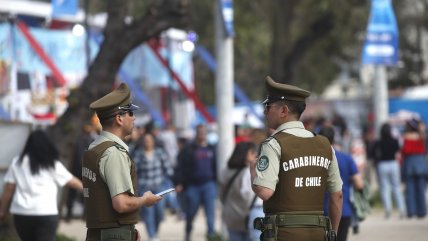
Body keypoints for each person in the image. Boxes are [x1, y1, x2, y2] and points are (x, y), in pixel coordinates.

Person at [250, 76, 343, 241]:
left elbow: (265, 192)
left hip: (283, 235)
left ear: (284, 111)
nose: (265, 112)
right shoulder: (325, 145)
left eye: (268, 106)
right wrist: (332, 233)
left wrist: (253, 173)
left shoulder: (274, 144)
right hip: (318, 234)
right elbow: (337, 195)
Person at [82, 83, 162, 241]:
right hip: (113, 234)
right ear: (119, 118)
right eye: (130, 113)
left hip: (99, 233)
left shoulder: (94, 148)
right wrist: (145, 200)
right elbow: (121, 204)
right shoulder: (114, 153)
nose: (134, 118)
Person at [0, 130, 83, 241]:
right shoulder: (51, 164)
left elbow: (9, 189)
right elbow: (71, 181)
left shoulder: (17, 163)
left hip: (22, 214)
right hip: (46, 212)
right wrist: (90, 189)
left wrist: (2, 210)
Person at [319, 126, 363, 241]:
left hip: (320, 212)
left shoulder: (315, 160)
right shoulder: (347, 158)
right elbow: (359, 184)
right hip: (343, 210)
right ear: (334, 139)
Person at [175, 124, 218, 241]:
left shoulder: (211, 148)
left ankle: (211, 235)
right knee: (190, 213)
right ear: (196, 133)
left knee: (210, 214)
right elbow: (180, 167)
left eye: (204, 132)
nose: (202, 134)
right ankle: (188, 232)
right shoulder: (189, 149)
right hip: (193, 186)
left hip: (209, 185)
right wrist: (179, 182)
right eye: (200, 132)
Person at [219, 141, 263, 241]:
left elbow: (221, 196)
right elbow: (249, 196)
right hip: (246, 217)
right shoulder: (248, 172)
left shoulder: (225, 171)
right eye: (252, 152)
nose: (255, 155)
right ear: (244, 154)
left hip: (231, 217)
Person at [133, 132, 172, 241]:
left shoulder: (160, 153)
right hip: (144, 187)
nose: (147, 142)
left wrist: (170, 182)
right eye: (145, 140)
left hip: (159, 186)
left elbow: (168, 169)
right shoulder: (139, 154)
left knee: (160, 213)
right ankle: (152, 236)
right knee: (148, 213)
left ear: (153, 141)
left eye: (149, 140)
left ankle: (155, 233)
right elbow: (134, 171)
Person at [371, 123, 406, 219]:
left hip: (382, 165)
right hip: (393, 164)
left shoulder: (378, 141)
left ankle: (388, 210)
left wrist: (376, 160)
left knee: (385, 188)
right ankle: (401, 209)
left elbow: (372, 153)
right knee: (396, 187)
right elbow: (399, 149)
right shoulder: (394, 141)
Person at [401, 118, 427, 218]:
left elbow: (403, 151)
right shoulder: (421, 137)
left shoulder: (405, 137)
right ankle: (422, 211)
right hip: (421, 163)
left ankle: (411, 211)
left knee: (410, 189)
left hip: (409, 163)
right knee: (421, 189)